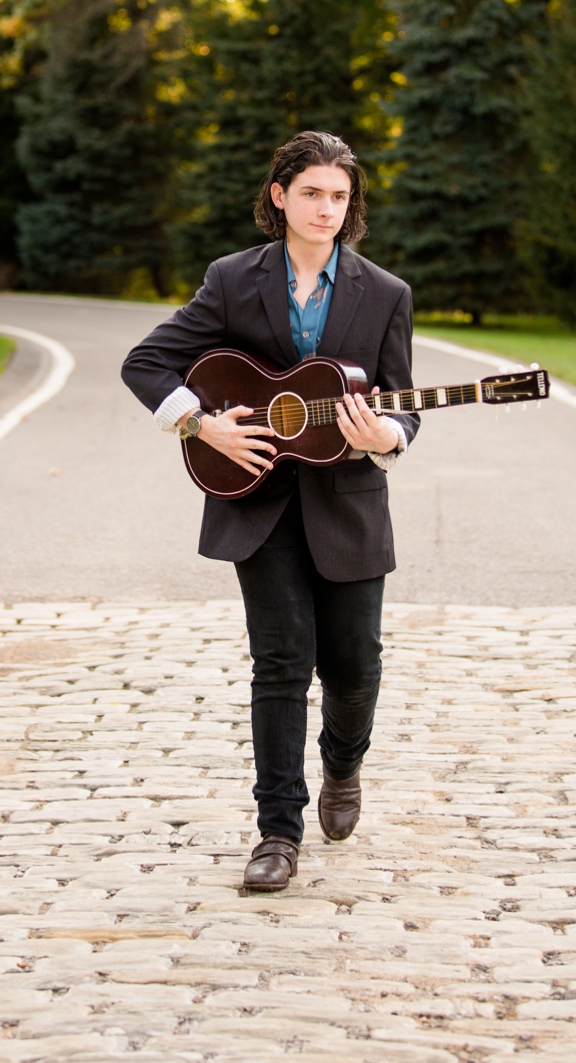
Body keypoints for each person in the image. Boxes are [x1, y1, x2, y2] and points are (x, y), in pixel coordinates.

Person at [121, 131, 418, 893]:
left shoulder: (385, 294)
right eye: (312, 192)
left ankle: (343, 767)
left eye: (339, 195)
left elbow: (402, 405)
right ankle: (277, 831)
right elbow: (145, 362)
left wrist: (386, 434)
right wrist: (200, 422)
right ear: (280, 195)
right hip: (258, 501)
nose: (326, 207)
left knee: (356, 666)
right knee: (280, 663)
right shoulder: (231, 280)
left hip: (349, 503)